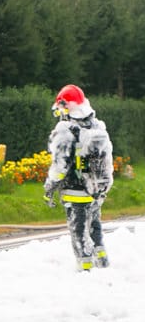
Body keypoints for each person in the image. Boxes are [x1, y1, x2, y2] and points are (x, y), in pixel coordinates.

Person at [43, 84, 114, 271]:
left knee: (79, 232)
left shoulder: (66, 129)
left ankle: (85, 271)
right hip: (95, 190)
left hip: (74, 191)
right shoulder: (97, 125)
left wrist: (50, 186)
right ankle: (103, 263)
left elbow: (60, 166)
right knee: (95, 228)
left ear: (66, 107)